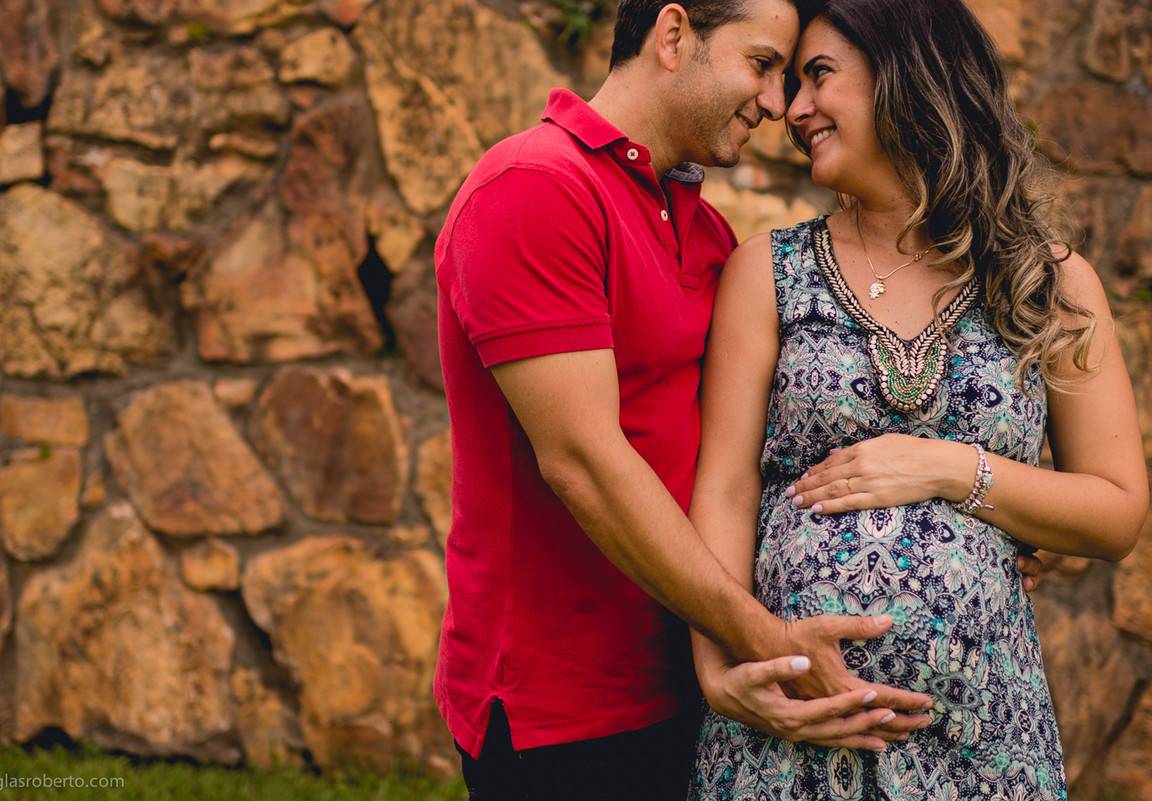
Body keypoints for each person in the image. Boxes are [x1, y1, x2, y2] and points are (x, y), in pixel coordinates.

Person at [431, 1, 956, 799]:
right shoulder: (535, 186)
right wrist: (764, 643)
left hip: (691, 679)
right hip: (566, 709)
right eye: (762, 64)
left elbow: (759, 454)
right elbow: (583, 461)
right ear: (673, 36)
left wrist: (952, 531)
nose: (778, 103)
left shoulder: (703, 229)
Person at [686, 0, 1149, 798]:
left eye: (819, 77)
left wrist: (945, 468)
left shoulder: (1050, 281)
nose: (793, 111)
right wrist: (723, 666)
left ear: (908, 75)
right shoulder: (768, 270)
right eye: (790, 84)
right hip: (787, 736)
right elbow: (725, 483)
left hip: (984, 746)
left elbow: (1116, 512)